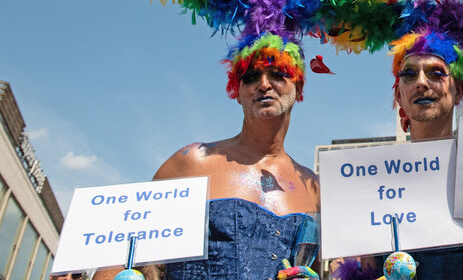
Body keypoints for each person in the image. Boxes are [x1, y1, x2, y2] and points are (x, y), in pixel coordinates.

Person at [94, 33, 320, 280]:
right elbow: (119, 259)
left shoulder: (312, 187)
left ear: (299, 87)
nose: (264, 84)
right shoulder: (192, 162)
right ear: (237, 92)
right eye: (251, 77)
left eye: (278, 73)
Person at [333, 29, 463, 279]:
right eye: (409, 74)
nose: (421, 82)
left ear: (458, 91)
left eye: (435, 73)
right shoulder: (373, 186)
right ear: (399, 95)